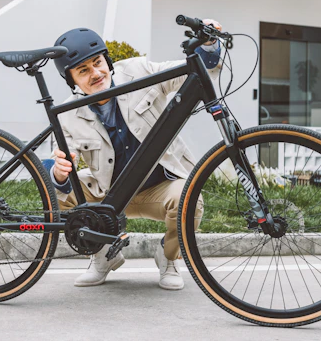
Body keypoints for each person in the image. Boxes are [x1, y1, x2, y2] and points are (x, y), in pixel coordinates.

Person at [42, 20, 222, 290]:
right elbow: (58, 167)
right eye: (83, 70)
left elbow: (186, 72)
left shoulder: (137, 71)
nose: (95, 73)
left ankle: (168, 256)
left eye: (98, 62)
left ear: (108, 61)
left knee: (189, 199)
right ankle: (102, 256)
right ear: (72, 80)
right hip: (109, 194)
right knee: (59, 195)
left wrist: (208, 44)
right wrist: (59, 172)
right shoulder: (68, 113)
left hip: (159, 188)